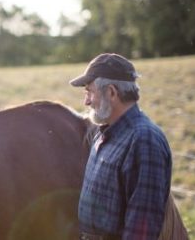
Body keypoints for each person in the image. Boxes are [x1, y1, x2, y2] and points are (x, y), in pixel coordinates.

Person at [70, 53, 172, 240]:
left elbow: (142, 228)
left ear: (111, 92)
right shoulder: (106, 132)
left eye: (89, 92)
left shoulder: (143, 140)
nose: (86, 102)